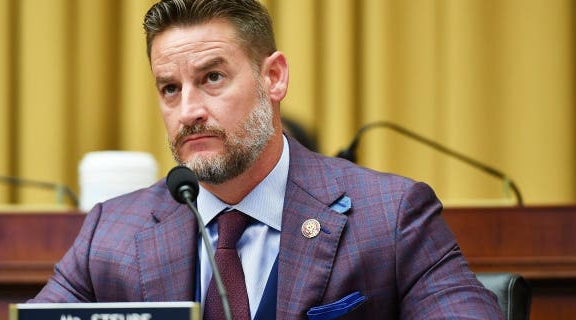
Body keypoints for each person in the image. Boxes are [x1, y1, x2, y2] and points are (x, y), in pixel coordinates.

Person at [31, 0, 502, 319]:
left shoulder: (391, 215)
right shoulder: (110, 234)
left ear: (273, 77)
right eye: (170, 88)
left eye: (212, 77)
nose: (188, 110)